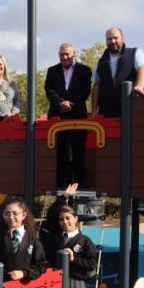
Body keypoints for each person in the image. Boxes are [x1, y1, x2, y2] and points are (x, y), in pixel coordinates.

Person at [45, 43, 93, 188]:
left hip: (78, 114)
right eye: (61, 54)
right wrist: (61, 102)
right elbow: (49, 89)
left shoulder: (84, 70)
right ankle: (61, 182)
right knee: (61, 149)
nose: (64, 57)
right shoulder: (52, 70)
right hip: (58, 115)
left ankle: (80, 182)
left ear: (74, 54)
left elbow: (85, 91)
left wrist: (70, 104)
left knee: (79, 149)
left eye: (67, 54)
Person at [90, 27, 144, 117]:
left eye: (115, 38)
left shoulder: (134, 53)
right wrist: (94, 110)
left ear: (122, 37)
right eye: (109, 39)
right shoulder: (101, 61)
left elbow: (142, 68)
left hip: (129, 107)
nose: (113, 41)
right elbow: (96, 85)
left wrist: (139, 86)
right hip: (106, 110)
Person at [0, 196, 46, 281]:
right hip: (0, 285)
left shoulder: (33, 238)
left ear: (23, 215)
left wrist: (24, 273)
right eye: (7, 214)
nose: (11, 217)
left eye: (15, 213)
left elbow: (41, 265)